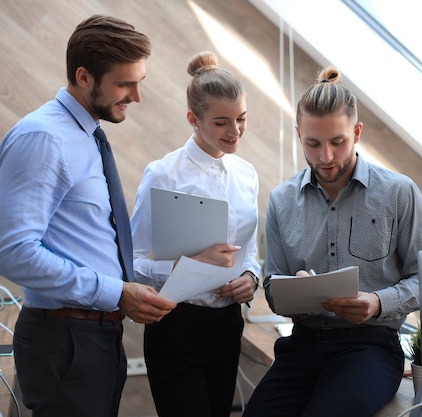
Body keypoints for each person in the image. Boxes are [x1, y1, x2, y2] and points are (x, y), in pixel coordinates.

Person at [0, 15, 176, 417]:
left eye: (139, 82)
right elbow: (12, 252)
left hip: (93, 336)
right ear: (83, 76)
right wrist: (115, 292)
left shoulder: (85, 136)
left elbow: (91, 241)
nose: (136, 96)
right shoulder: (44, 139)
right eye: (124, 84)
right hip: (65, 339)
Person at [242, 66, 422, 417]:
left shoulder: (399, 193)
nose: (325, 157)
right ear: (299, 134)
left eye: (338, 142)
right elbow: (271, 287)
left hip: (371, 348)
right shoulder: (282, 200)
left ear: (357, 132)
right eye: (312, 144)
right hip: (301, 346)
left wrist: (377, 302)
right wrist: (292, 291)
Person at [130, 51, 260, 417]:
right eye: (221, 122)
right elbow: (130, 262)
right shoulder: (163, 175)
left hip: (227, 326)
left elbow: (248, 252)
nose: (235, 131)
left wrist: (251, 277)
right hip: (175, 326)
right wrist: (178, 268)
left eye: (242, 118)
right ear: (193, 118)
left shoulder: (247, 174)